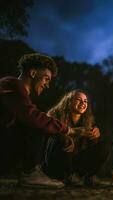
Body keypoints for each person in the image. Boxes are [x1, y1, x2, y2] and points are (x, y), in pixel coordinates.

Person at [0, 53, 83, 188]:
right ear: (33, 73)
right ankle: (30, 172)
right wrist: (69, 130)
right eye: (46, 79)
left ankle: (32, 171)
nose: (47, 85)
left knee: (43, 122)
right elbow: (33, 118)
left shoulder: (19, 96)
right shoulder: (11, 83)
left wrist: (61, 134)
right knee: (38, 121)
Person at [43, 90, 107, 186]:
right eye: (78, 100)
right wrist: (66, 136)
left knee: (103, 146)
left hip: (76, 162)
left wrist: (95, 134)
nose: (83, 103)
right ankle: (66, 176)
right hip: (57, 160)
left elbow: (91, 146)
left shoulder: (87, 120)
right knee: (61, 140)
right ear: (68, 101)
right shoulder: (55, 114)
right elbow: (48, 134)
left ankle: (85, 176)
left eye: (85, 101)